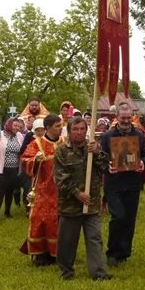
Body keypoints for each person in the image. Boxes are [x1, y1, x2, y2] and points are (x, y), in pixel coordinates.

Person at [54, 117, 113, 281]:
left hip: (92, 204)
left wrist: (98, 153)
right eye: (75, 129)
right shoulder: (62, 151)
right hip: (70, 205)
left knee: (95, 238)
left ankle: (98, 272)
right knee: (67, 240)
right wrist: (77, 194)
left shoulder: (93, 148)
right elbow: (61, 179)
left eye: (82, 129)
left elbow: (104, 167)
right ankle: (66, 271)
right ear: (69, 130)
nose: (79, 132)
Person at [101, 102, 145, 267]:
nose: (126, 121)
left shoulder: (140, 136)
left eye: (129, 118)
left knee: (129, 219)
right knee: (118, 216)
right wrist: (108, 165)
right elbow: (101, 157)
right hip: (114, 184)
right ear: (117, 117)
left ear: (132, 117)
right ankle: (112, 252)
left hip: (133, 183)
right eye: (123, 118)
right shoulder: (108, 136)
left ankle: (124, 252)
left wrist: (142, 162)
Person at [19, 114, 64, 266]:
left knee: (59, 223)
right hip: (43, 191)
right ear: (49, 127)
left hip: (63, 192)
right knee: (41, 221)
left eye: (61, 125)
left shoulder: (65, 142)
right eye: (58, 126)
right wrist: (35, 161)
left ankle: (57, 253)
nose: (61, 128)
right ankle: (40, 254)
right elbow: (25, 160)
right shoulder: (36, 144)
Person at [0, 118, 24, 221]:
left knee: (10, 191)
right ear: (9, 125)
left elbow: (23, 148)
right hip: (0, 169)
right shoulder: (0, 134)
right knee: (1, 190)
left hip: (14, 169)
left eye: (18, 126)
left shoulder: (19, 136)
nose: (17, 128)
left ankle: (7, 212)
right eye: (14, 125)